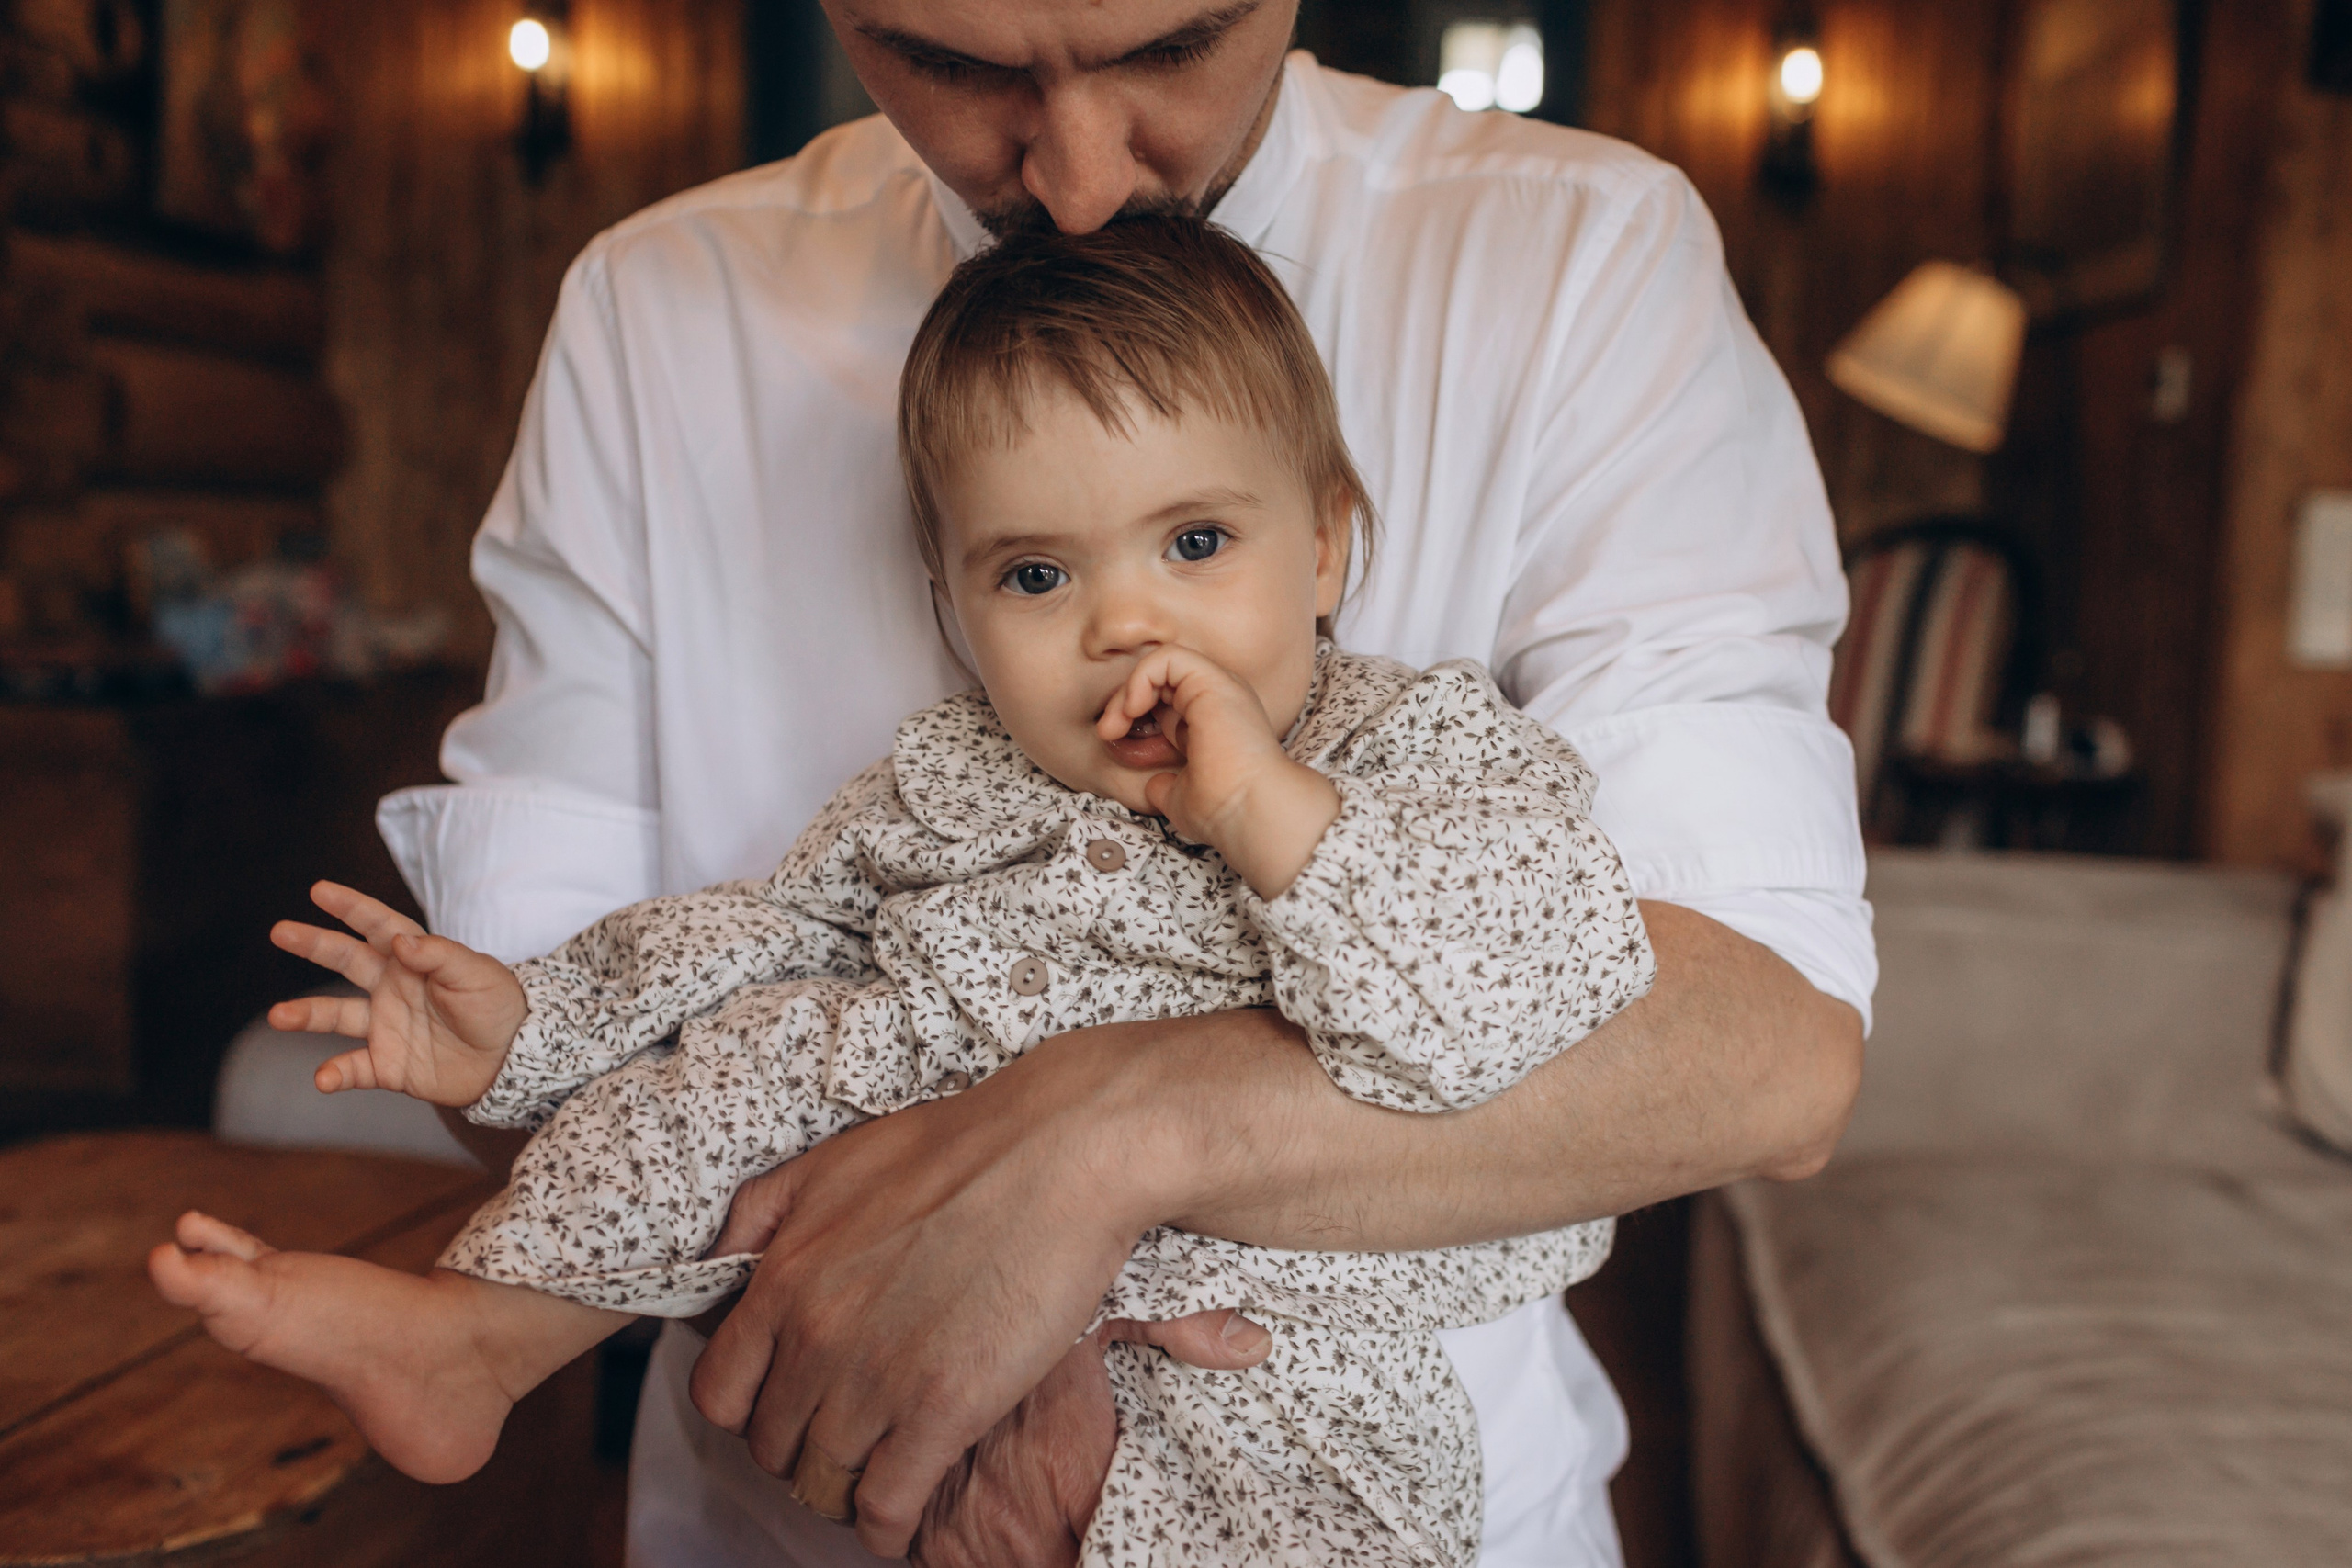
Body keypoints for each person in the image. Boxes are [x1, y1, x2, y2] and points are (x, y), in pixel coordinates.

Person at [365, 3, 1873, 1563]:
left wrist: (1100, 1148)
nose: (1079, 182)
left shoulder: (1582, 262)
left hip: (1334, 1476)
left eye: (1172, 48)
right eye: (957, 67)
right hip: (800, 1507)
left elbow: (1768, 1057)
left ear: (1329, 542)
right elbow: (562, 1050)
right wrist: (972, 1362)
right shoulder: (652, 313)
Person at [153, 215, 1658, 1568]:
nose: (1123, 621)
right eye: (1036, 577)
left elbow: (1532, 976)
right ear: (955, 605)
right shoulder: (945, 779)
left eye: (1197, 543)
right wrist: (537, 1025)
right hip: (894, 1295)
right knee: (745, 1067)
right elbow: (768, 934)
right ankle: (477, 1338)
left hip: (1269, 1337)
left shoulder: (1411, 747)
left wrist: (1267, 806)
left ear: (1324, 548)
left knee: (1309, 1502)